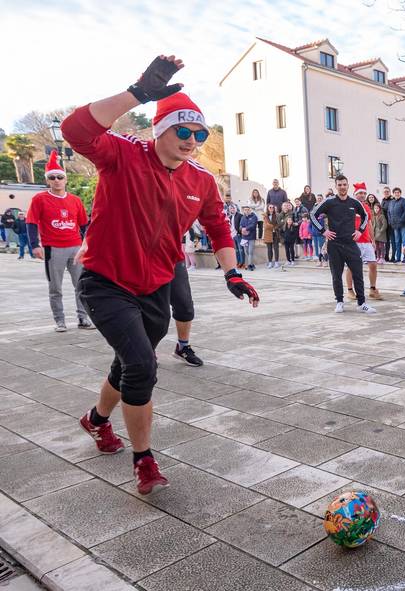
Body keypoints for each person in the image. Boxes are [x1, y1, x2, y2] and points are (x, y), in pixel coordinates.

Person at [65, 55, 258, 494]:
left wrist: (233, 275)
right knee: (141, 364)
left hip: (156, 286)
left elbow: (218, 227)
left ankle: (95, 421)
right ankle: (144, 459)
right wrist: (138, 93)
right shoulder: (123, 155)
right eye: (183, 131)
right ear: (161, 128)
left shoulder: (201, 181)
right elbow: (77, 130)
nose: (192, 140)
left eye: (200, 133)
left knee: (128, 364)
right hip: (106, 280)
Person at [25, 151, 92, 332]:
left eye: (60, 177)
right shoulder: (39, 199)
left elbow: (84, 225)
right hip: (53, 248)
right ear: (48, 180)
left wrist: (87, 245)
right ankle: (60, 320)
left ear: (65, 179)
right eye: (52, 177)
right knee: (56, 287)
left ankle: (83, 318)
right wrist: (34, 246)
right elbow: (31, 222)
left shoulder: (75, 200)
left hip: (75, 247)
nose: (56, 180)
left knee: (81, 285)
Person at [310, 174, 375, 313]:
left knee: (358, 273)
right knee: (336, 274)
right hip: (334, 244)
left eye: (344, 184)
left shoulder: (354, 202)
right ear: (336, 186)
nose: (342, 187)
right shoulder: (329, 202)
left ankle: (361, 303)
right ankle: (339, 301)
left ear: (347, 185)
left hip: (351, 244)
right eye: (339, 185)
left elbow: (365, 216)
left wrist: (360, 231)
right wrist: (323, 231)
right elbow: (312, 215)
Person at [344, 183, 382, 301]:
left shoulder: (366, 207)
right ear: (355, 194)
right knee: (352, 266)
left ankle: (372, 289)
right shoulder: (349, 205)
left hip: (366, 240)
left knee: (373, 265)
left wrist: (373, 240)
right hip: (353, 241)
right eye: (360, 193)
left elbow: (369, 224)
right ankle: (350, 290)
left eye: (364, 193)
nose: (362, 195)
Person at [388, 187, 405, 263]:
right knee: (397, 241)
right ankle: (398, 258)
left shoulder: (404, 201)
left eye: (398, 192)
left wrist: (401, 221)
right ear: (393, 194)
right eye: (395, 192)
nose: (397, 194)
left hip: (403, 225)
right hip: (394, 226)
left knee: (404, 241)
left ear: (400, 193)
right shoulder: (391, 202)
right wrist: (390, 221)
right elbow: (389, 213)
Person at [262, 203, 284, 269]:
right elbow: (266, 225)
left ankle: (276, 262)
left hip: (275, 234)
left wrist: (275, 227)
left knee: (276, 248)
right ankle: (270, 262)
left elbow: (279, 224)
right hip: (268, 234)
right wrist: (273, 227)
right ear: (268, 208)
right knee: (269, 249)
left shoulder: (277, 215)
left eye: (272, 208)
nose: (271, 209)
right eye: (270, 207)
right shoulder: (265, 215)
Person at [239, 203, 258, 271]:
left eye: (248, 209)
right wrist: (242, 230)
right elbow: (240, 226)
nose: (246, 211)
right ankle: (251, 264)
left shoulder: (254, 217)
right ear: (243, 211)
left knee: (250, 251)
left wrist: (246, 229)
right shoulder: (242, 217)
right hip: (244, 237)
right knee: (246, 251)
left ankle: (250, 265)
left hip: (251, 237)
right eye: (245, 210)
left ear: (250, 210)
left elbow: (253, 225)